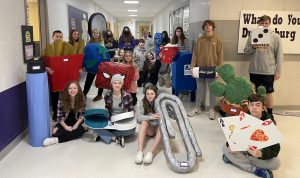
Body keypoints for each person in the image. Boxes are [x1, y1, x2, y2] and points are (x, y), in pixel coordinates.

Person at [222, 93, 280, 178]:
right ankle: (255, 170)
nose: (254, 108)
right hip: (245, 148)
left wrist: (261, 154)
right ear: (248, 107)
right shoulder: (242, 117)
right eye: (251, 105)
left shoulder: (269, 123)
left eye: (257, 105)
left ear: (263, 108)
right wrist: (230, 145)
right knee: (224, 148)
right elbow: (233, 136)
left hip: (259, 150)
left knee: (276, 163)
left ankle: (236, 159)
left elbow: (275, 149)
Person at [244, 15, 283, 115]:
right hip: (254, 70)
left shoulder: (275, 37)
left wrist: (278, 71)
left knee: (268, 93)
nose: (264, 25)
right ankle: (254, 113)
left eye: (266, 23)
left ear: (269, 24)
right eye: (262, 23)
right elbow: (246, 52)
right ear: (259, 23)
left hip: (268, 71)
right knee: (253, 93)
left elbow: (279, 55)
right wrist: (253, 47)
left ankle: (269, 114)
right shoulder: (252, 35)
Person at [188, 20, 224, 120]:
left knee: (213, 90)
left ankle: (212, 110)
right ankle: (197, 108)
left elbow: (220, 56)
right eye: (206, 26)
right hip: (200, 69)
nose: (208, 27)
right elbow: (194, 55)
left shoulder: (218, 40)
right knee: (199, 90)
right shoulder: (199, 40)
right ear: (203, 28)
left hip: (213, 69)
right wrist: (192, 68)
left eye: (210, 26)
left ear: (213, 27)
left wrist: (219, 70)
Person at [92, 74, 136, 147]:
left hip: (123, 120)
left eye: (119, 83)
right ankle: (115, 138)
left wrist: (127, 119)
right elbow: (107, 109)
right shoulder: (107, 95)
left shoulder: (127, 95)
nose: (117, 85)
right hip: (111, 120)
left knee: (132, 130)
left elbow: (131, 111)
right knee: (93, 125)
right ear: (111, 84)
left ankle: (103, 135)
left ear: (122, 84)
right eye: (115, 83)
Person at [43, 81, 88, 146]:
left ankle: (57, 140)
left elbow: (82, 115)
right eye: (70, 88)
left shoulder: (82, 99)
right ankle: (75, 134)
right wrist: (66, 127)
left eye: (75, 88)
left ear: (78, 89)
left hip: (77, 120)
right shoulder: (62, 99)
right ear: (67, 89)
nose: (72, 90)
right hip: (65, 121)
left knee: (85, 127)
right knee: (54, 132)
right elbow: (59, 117)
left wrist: (76, 125)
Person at [135, 85, 161, 164]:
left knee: (162, 127)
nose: (149, 96)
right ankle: (140, 151)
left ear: (155, 94)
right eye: (147, 94)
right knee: (144, 122)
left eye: (152, 94)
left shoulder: (160, 102)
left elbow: (169, 117)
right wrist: (150, 117)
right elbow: (138, 118)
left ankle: (151, 152)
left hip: (158, 129)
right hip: (150, 129)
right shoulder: (143, 102)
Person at [45, 30, 63, 121]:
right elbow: (42, 61)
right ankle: (55, 113)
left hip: (65, 77)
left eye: (60, 37)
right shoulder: (48, 49)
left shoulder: (66, 48)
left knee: (65, 96)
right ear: (53, 37)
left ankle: (65, 113)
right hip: (54, 78)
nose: (59, 38)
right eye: (57, 36)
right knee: (54, 97)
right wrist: (47, 68)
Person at [83, 28, 105, 102]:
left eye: (97, 33)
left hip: (100, 64)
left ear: (99, 34)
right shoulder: (89, 42)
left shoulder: (101, 43)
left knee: (100, 80)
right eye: (94, 33)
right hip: (91, 64)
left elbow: (103, 54)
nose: (96, 34)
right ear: (92, 34)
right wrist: (85, 65)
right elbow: (86, 55)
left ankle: (99, 95)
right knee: (88, 80)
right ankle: (84, 94)